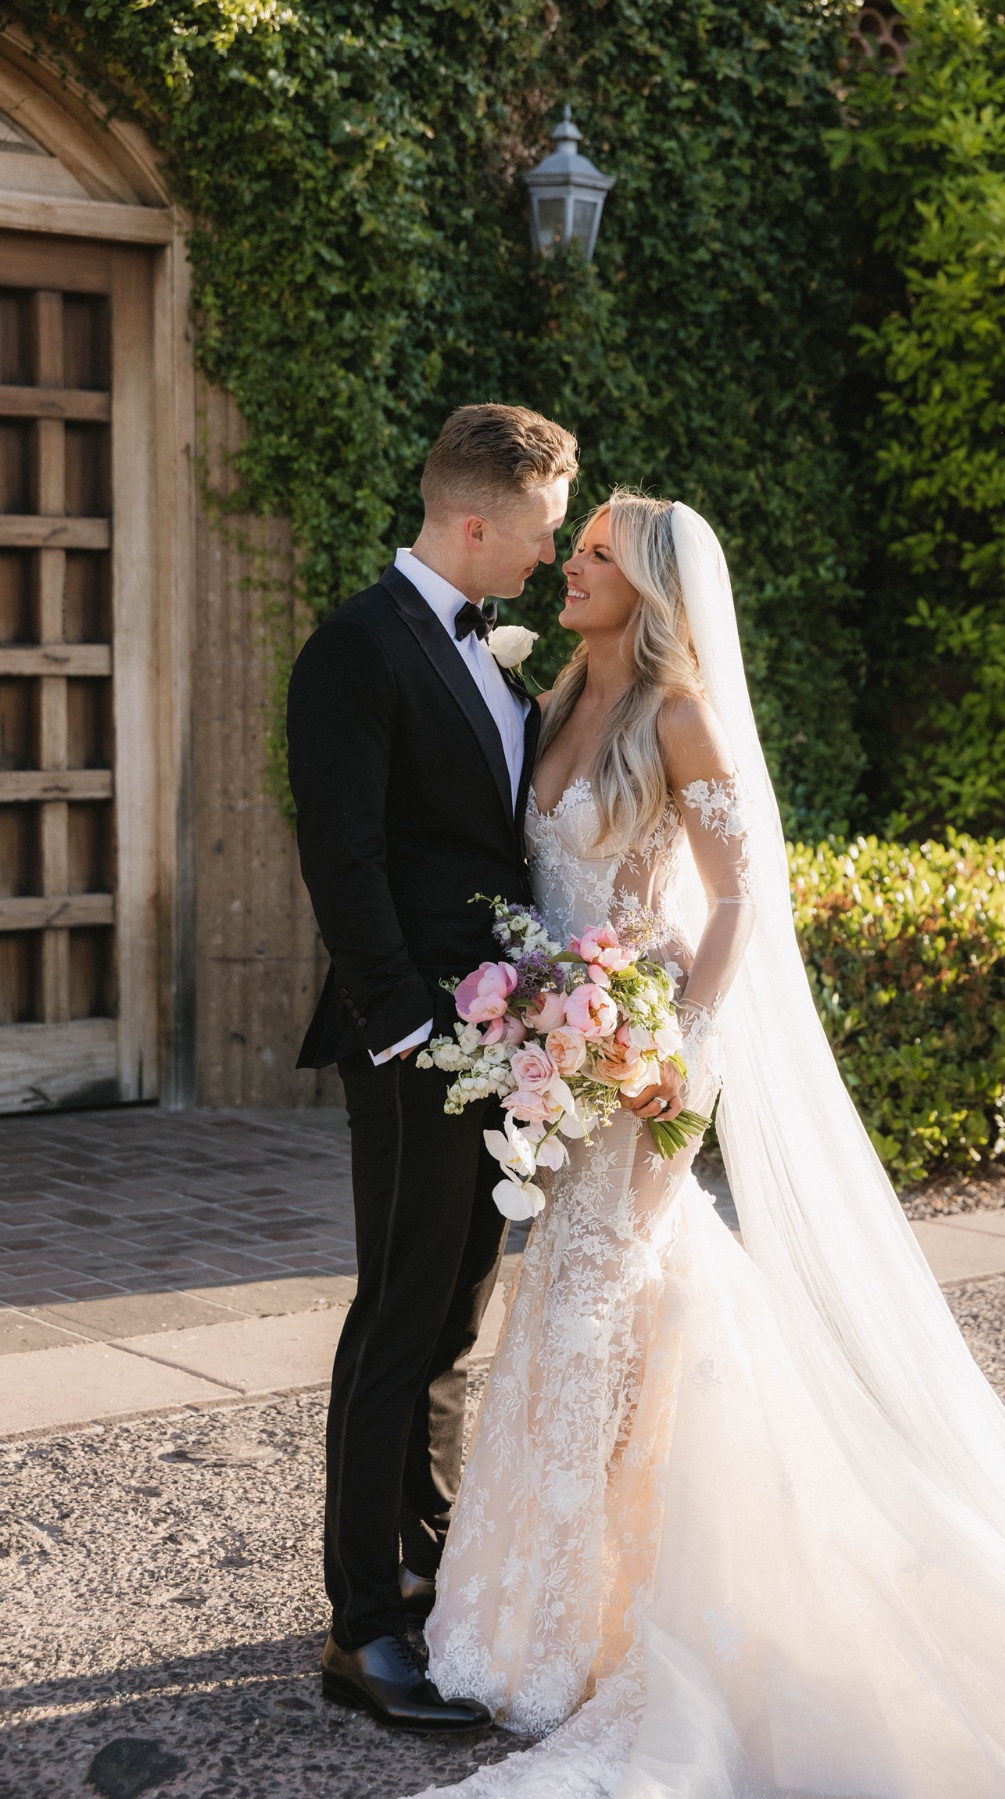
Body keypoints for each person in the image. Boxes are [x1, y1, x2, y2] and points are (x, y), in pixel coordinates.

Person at [409, 491, 1005, 1795]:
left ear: (652, 587)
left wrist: (676, 1044)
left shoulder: (679, 715)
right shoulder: (551, 702)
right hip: (561, 1049)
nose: (572, 565)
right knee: (564, 1300)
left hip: (644, 1055)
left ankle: (628, 1604)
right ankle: (543, 1604)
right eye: (578, 544)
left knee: (609, 1295)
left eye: (597, 552)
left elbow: (737, 897)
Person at [286, 402, 577, 1732]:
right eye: (539, 531)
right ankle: (362, 1628)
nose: (549, 556)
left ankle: (429, 1555)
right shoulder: (354, 649)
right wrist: (406, 1026)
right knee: (397, 1325)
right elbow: (342, 855)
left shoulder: (493, 659)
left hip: (492, 1042)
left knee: (457, 1315)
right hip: (411, 1044)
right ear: (475, 521)